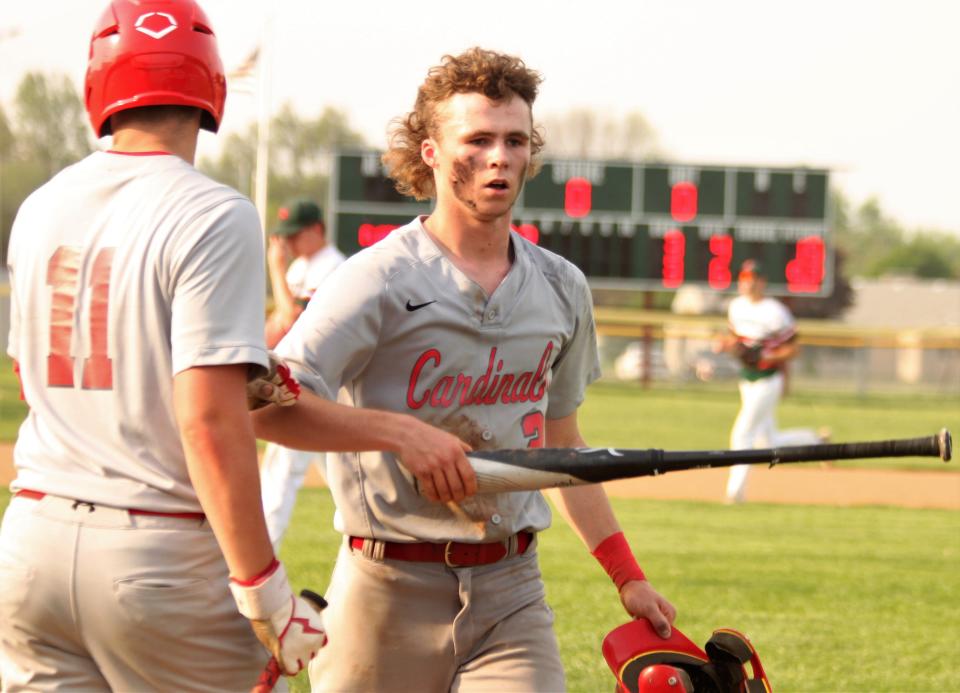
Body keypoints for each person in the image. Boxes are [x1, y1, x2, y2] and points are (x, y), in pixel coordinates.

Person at [252, 47, 676, 691]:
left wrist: (628, 576)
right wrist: (397, 434)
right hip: (385, 590)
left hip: (512, 590)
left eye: (514, 139)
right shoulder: (376, 279)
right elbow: (265, 407)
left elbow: (563, 447)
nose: (499, 157)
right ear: (430, 152)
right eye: (477, 139)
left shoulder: (562, 288)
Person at [0, 1, 325, 690]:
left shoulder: (41, 206)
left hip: (31, 540)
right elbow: (207, 422)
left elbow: (34, 380)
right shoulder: (214, 210)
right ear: (212, 88)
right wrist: (267, 593)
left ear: (98, 88)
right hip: (156, 553)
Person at [260, 199, 345, 548]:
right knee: (346, 484)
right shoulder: (301, 267)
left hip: (314, 383)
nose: (288, 244)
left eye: (295, 235)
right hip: (301, 380)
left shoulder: (333, 267)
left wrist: (275, 271)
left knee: (281, 475)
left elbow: (293, 319)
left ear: (316, 231)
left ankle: (257, 569)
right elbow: (279, 324)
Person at [714, 259, 828, 504]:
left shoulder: (775, 311)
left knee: (743, 432)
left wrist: (769, 355)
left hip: (768, 380)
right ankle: (816, 442)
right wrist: (725, 344)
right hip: (746, 379)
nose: (748, 284)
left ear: (762, 282)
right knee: (768, 441)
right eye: (744, 279)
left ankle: (735, 493)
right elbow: (735, 339)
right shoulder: (736, 306)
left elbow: (794, 348)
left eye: (752, 279)